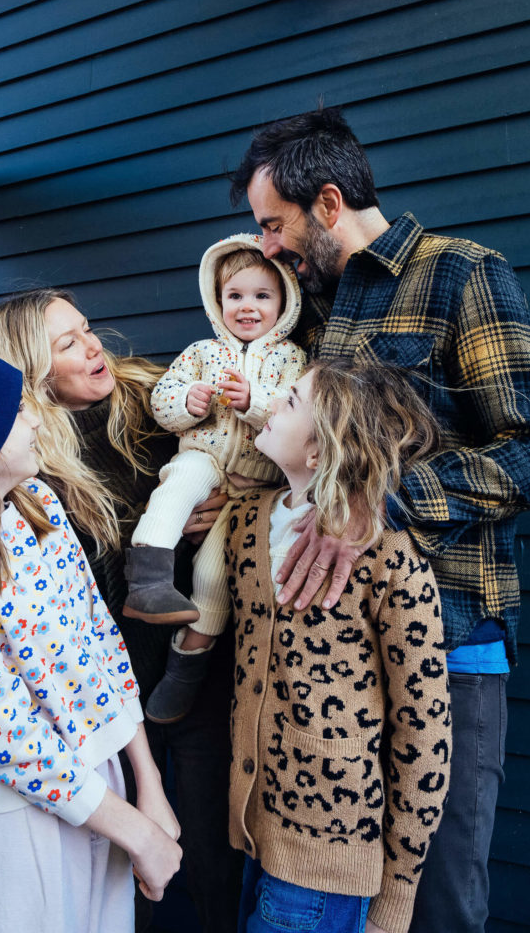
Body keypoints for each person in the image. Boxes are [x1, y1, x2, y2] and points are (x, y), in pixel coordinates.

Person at [229, 106, 530, 933]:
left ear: (327, 203)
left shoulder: (460, 273)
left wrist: (377, 504)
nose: (266, 248)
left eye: (272, 225)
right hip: (330, 662)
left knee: (438, 899)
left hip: (450, 638)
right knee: (331, 892)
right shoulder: (305, 313)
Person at [0, 351, 181, 933]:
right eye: (19, 409)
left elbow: (100, 642)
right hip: (28, 814)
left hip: (109, 785)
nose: (36, 419)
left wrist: (148, 784)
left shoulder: (38, 506)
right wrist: (135, 833)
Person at [0, 290, 243, 933]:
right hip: (108, 688)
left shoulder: (158, 401)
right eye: (67, 343)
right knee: (129, 858)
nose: (94, 345)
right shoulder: (25, 457)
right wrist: (154, 537)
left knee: (215, 847)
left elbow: (240, 450)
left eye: (88, 329)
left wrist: (224, 499)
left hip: (196, 659)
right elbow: (65, 589)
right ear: (29, 370)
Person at [227, 359, 451, 933]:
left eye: (293, 400)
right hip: (254, 835)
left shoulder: (388, 555)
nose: (274, 400)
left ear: (321, 454)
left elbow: (424, 731)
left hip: (330, 863)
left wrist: (398, 897)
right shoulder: (247, 523)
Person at [128, 234, 306, 723]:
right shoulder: (202, 352)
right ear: (217, 300)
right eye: (235, 296)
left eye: (261, 296)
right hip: (203, 457)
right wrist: (188, 403)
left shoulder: (292, 360)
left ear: (284, 302)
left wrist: (254, 402)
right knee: (178, 485)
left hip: (253, 487)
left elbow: (298, 421)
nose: (247, 308)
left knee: (214, 574)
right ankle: (147, 579)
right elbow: (162, 403)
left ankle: (185, 667)